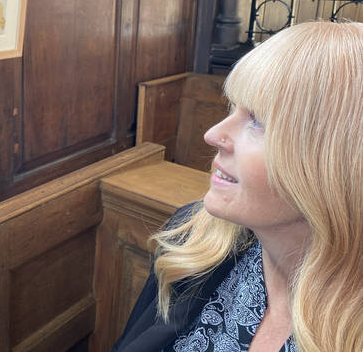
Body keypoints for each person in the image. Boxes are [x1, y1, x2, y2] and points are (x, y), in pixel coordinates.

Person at [112, 21, 362, 352]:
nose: (213, 134)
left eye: (257, 120)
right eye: (233, 108)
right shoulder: (195, 240)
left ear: (336, 164)